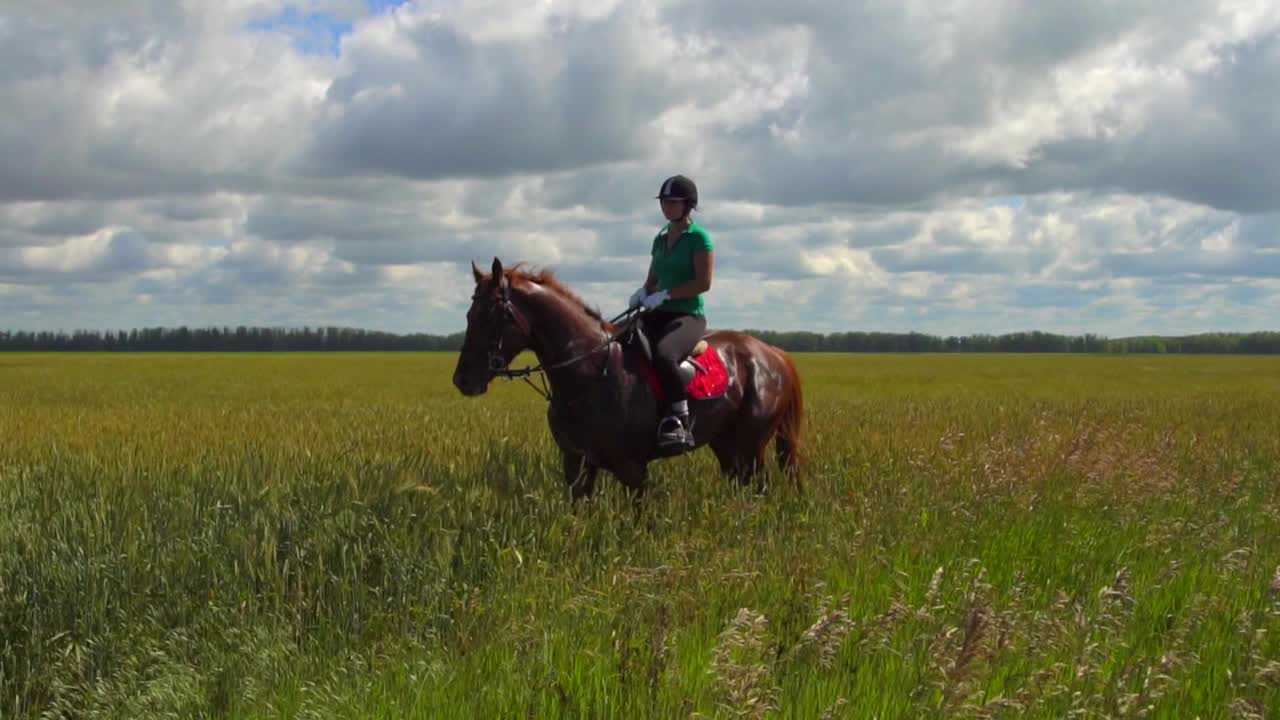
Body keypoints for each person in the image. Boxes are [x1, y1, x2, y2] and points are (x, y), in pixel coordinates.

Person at [628, 174, 714, 453]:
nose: (666, 207)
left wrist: (666, 295)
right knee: (623, 340)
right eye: (664, 202)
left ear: (688, 204)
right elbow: (653, 278)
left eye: (672, 202)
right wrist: (642, 293)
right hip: (659, 312)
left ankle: (680, 418)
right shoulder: (661, 237)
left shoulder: (699, 238)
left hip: (687, 315)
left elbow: (703, 283)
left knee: (665, 354)